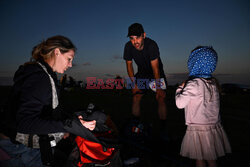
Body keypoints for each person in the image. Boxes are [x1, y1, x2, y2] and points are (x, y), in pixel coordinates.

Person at [0, 35, 96, 167]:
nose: (70, 64)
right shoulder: (40, 78)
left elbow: (44, 110)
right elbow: (25, 123)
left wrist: (67, 123)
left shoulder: (42, 74)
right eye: (69, 59)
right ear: (57, 52)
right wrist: (67, 125)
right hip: (18, 148)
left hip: (17, 143)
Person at [175, 46, 231, 167]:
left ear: (194, 63)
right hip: (213, 128)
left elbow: (179, 104)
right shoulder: (214, 84)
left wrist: (179, 88)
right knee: (211, 159)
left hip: (198, 129)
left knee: (199, 158)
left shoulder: (193, 84)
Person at [123, 23, 168, 139]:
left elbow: (155, 68)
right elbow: (129, 66)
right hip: (142, 74)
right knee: (136, 96)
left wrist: (158, 87)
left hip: (156, 73)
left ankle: (163, 128)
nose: (135, 41)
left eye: (137, 37)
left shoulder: (151, 45)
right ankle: (135, 124)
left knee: (161, 97)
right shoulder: (128, 47)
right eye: (132, 38)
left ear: (144, 35)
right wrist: (133, 84)